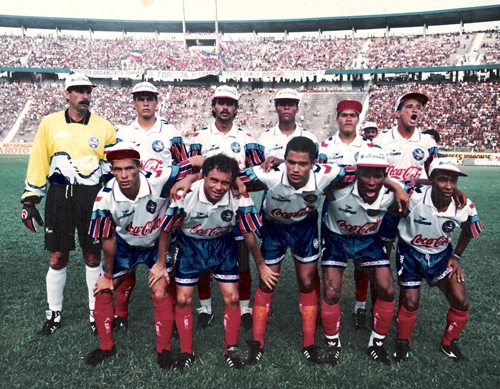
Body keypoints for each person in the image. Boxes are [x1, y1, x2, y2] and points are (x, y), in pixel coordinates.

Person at [84, 143, 202, 367]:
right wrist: (108, 275)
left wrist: (196, 177)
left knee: (160, 290)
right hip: (125, 245)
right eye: (118, 170)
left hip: (157, 243)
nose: (124, 175)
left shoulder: (158, 178)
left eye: (129, 168)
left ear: (139, 167)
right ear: (111, 171)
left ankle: (163, 349)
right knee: (102, 291)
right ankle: (106, 347)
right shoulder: (104, 198)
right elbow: (107, 239)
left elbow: (198, 161)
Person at [241, 136, 356, 365]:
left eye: (302, 164)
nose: (295, 168)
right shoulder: (270, 174)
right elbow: (233, 177)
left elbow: (355, 173)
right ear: (284, 160)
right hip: (274, 228)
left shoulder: (324, 174)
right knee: (267, 282)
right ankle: (257, 342)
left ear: (314, 163)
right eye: (291, 162)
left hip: (305, 228)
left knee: (306, 281)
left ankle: (309, 344)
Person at [20, 73, 116, 336]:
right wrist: (30, 198)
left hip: (92, 197)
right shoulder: (49, 124)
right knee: (58, 256)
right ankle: (53, 314)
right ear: (67, 94)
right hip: (59, 196)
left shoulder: (104, 126)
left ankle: (96, 313)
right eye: (78, 91)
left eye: (87, 91)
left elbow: (110, 168)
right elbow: (39, 159)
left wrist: (110, 201)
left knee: (92, 255)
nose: (84, 96)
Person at [157, 154, 270, 369]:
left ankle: (232, 348)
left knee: (232, 298)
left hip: (222, 245)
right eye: (214, 180)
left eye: (225, 182)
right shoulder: (185, 194)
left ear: (232, 182)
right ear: (203, 177)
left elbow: (249, 235)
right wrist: (161, 263)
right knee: (183, 300)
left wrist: (262, 266)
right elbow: (166, 229)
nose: (219, 187)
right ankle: (186, 351)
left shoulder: (239, 195)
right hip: (190, 246)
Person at [319, 144, 408, 366]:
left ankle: (376, 344)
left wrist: (396, 188)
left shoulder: (394, 193)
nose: (371, 181)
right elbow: (311, 171)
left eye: (377, 176)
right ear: (356, 173)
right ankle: (332, 344)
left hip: (369, 241)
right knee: (331, 291)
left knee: (387, 289)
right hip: (337, 239)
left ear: (385, 177)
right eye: (365, 174)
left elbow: (433, 186)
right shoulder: (337, 187)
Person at [111, 81, 189, 331]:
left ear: (157, 101)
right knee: (126, 265)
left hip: (162, 212)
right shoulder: (123, 133)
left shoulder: (171, 133)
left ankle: (175, 317)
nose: (145, 102)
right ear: (133, 102)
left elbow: (184, 167)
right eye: (140, 98)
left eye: (150, 98)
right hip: (131, 209)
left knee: (169, 266)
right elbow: (113, 172)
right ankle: (121, 314)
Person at [188, 85, 265, 330]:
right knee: (203, 258)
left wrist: (238, 182)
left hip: (237, 205)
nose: (225, 107)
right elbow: (190, 169)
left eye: (230, 103)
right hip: (206, 206)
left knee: (242, 258)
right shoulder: (200, 137)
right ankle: (205, 307)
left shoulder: (246, 139)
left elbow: (257, 177)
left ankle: (244, 309)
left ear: (236, 108)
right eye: (220, 102)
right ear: (213, 106)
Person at [393, 157, 482, 363]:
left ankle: (449, 344)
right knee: (410, 301)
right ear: (431, 179)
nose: (449, 186)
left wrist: (456, 256)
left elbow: (470, 230)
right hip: (410, 254)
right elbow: (400, 184)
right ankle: (402, 343)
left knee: (461, 301)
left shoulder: (464, 205)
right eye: (443, 180)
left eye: (453, 181)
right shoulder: (413, 197)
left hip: (442, 256)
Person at [318, 99, 373, 331]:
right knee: (331, 265)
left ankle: (359, 307)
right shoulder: (325, 147)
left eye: (353, 115)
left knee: (362, 264)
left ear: (358, 119)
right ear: (337, 118)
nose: (348, 118)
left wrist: (341, 174)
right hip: (334, 212)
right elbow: (318, 177)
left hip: (364, 213)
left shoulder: (370, 148)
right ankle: (327, 309)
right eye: (344, 115)